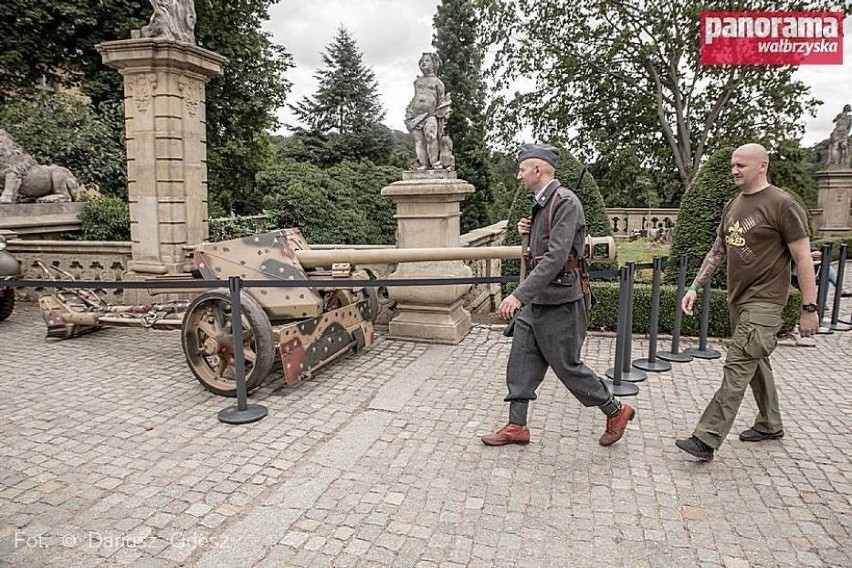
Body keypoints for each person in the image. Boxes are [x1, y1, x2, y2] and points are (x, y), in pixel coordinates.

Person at [481, 144, 635, 447]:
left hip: (562, 301)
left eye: (523, 169)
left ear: (538, 170)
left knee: (567, 366)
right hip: (538, 301)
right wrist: (529, 226)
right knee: (521, 361)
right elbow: (544, 244)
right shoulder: (541, 203)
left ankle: (616, 410)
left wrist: (518, 296)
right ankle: (516, 426)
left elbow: (555, 258)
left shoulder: (566, 202)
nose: (518, 175)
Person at [675, 143, 819, 461]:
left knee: (737, 365)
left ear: (762, 165)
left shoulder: (782, 204)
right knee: (755, 363)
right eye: (732, 165)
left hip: (765, 302)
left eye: (741, 165)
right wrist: (695, 287)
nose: (734, 170)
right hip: (738, 300)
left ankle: (706, 438)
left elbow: (803, 257)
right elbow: (718, 250)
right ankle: (770, 423)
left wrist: (809, 308)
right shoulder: (734, 205)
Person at [404, 53, 452, 170]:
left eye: (427, 61)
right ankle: (424, 164)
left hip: (431, 115)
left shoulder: (438, 82)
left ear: (434, 64)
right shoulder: (417, 82)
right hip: (416, 116)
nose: (423, 63)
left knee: (431, 137)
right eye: (422, 61)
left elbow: (442, 100)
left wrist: (443, 113)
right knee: (419, 141)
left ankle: (435, 162)